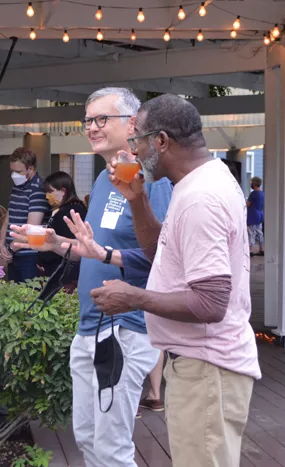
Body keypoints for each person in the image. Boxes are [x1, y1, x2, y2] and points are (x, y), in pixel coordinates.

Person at [72, 94, 261, 466]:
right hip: (200, 364)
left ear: (160, 142)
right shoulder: (201, 181)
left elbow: (210, 303)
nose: (134, 149)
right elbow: (164, 254)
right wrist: (138, 200)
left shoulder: (199, 199)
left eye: (137, 139)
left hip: (209, 366)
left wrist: (135, 298)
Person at [10, 88, 172, 467]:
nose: (92, 127)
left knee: (112, 447)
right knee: (87, 438)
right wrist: (56, 244)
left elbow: (162, 257)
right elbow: (94, 250)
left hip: (125, 329)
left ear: (132, 124)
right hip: (88, 327)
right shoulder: (103, 180)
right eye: (88, 120)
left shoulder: (152, 180)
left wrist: (99, 253)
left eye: (103, 119)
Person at [0, 147, 50, 283]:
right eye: (12, 171)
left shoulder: (38, 190)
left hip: (29, 255)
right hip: (13, 253)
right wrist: (1, 243)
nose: (14, 175)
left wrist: (9, 249)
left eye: (19, 171)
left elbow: (32, 228)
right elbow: (9, 216)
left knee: (28, 297)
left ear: (31, 169)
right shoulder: (16, 187)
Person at [38, 171, 87, 291]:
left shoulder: (73, 210)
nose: (47, 196)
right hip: (55, 272)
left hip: (65, 276)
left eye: (50, 192)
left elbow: (72, 244)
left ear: (63, 191)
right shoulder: (61, 209)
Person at [247, 176, 265, 256]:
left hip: (253, 215)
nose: (251, 184)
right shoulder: (262, 193)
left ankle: (250, 251)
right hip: (260, 215)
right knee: (259, 232)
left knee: (251, 233)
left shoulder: (253, 194)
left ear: (254, 184)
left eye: (251, 183)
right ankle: (262, 249)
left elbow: (248, 204)